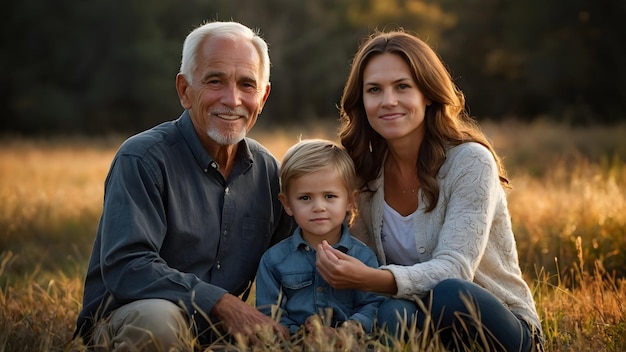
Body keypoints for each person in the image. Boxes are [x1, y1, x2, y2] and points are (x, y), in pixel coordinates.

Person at [315, 29, 544, 351]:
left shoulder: (469, 162)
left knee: (450, 293)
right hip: (423, 325)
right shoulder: (365, 174)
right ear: (361, 100)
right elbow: (358, 256)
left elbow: (456, 269)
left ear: (428, 93)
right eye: (374, 90)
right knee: (393, 313)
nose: (388, 101)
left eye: (403, 87)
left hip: (498, 323)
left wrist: (368, 278)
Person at [73, 21, 295, 351]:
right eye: (215, 81)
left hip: (218, 334)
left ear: (262, 97)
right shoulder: (142, 158)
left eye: (247, 85)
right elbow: (128, 267)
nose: (232, 99)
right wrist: (221, 302)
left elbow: (293, 260)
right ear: (184, 90)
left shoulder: (268, 173)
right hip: (132, 318)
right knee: (159, 322)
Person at [255, 139, 384, 339]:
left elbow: (372, 304)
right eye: (305, 198)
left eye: (330, 196)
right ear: (287, 204)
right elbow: (269, 314)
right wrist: (302, 335)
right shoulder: (273, 261)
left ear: (350, 201)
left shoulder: (364, 258)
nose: (318, 207)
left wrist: (350, 329)